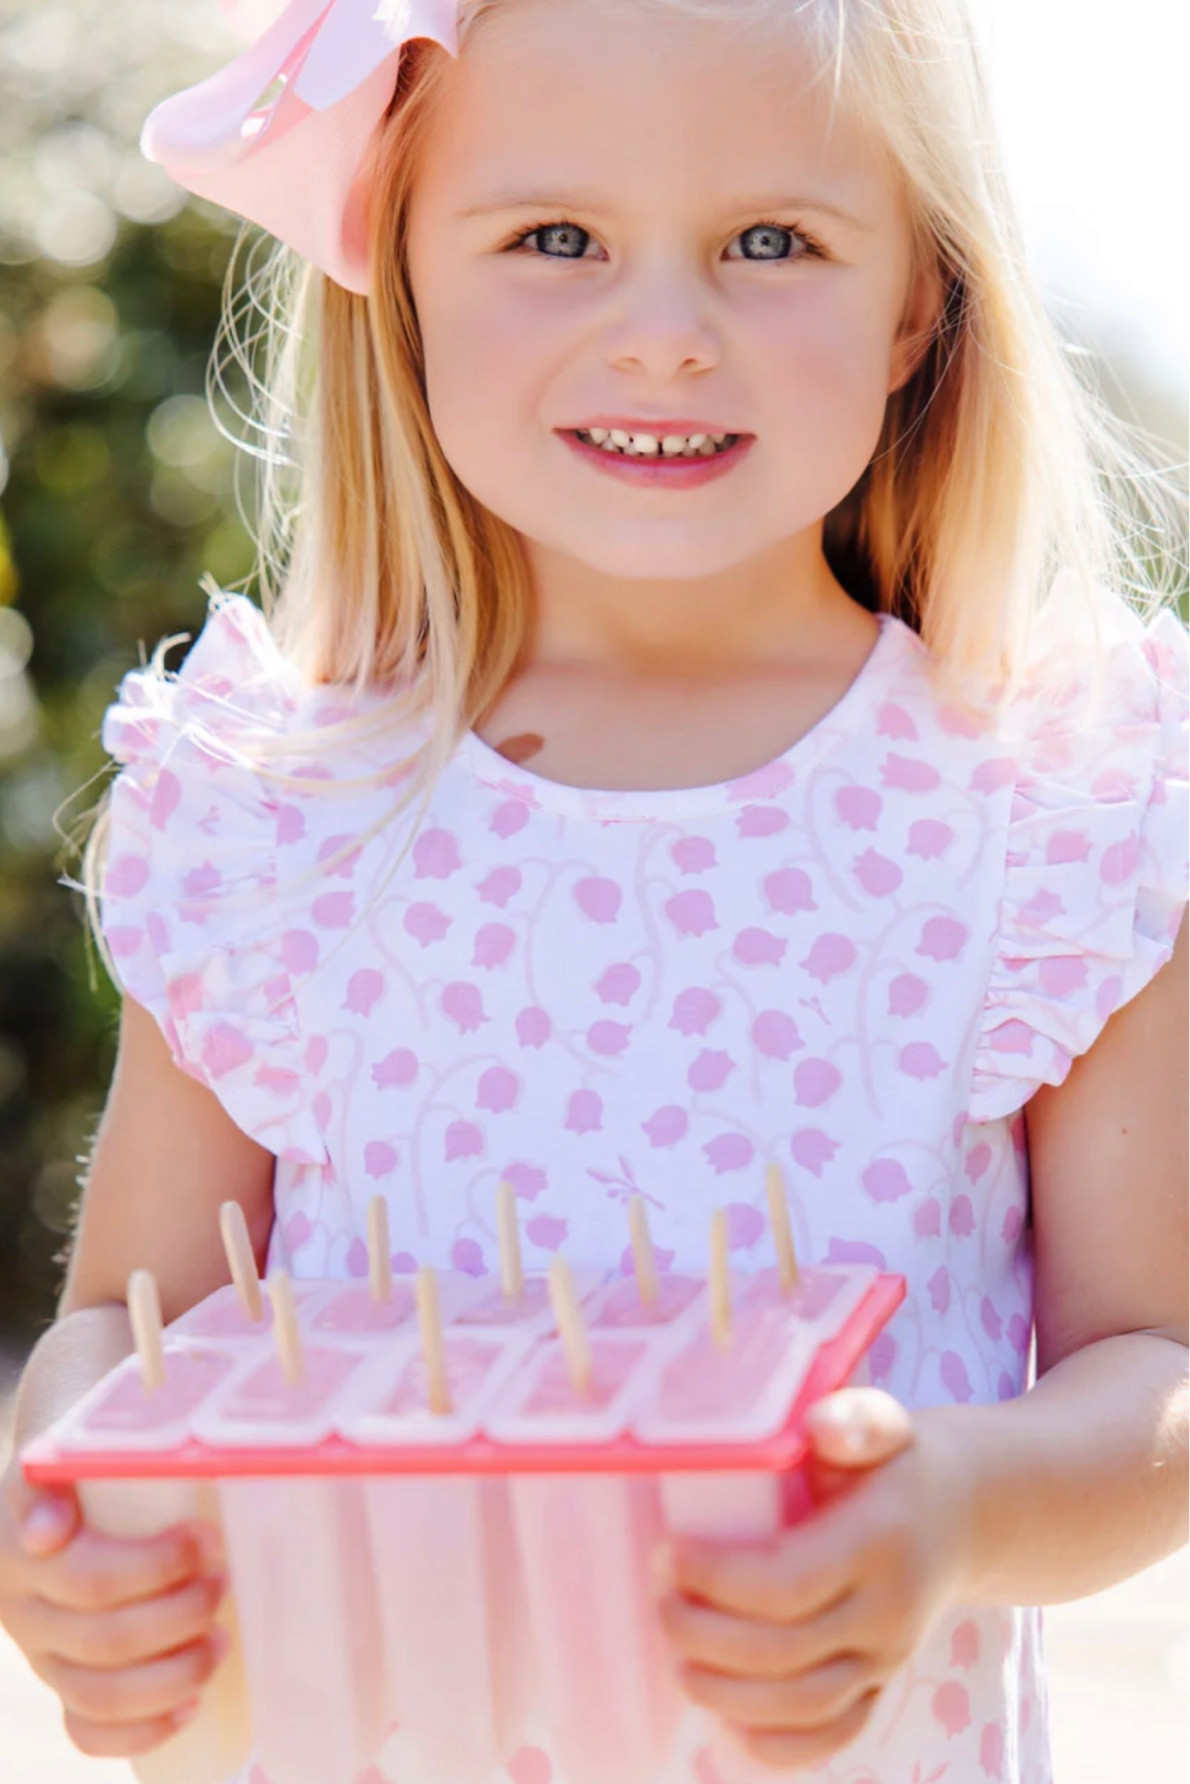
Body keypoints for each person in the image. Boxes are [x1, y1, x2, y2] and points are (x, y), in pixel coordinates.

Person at [1, 0, 1186, 1779]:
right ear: (399, 275)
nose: (664, 336)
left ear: (914, 305)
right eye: (554, 238)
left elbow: (1151, 1368)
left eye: (769, 243)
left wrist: (945, 1504)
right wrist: (74, 1533)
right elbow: (125, 1322)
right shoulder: (283, 807)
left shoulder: (1040, 804)